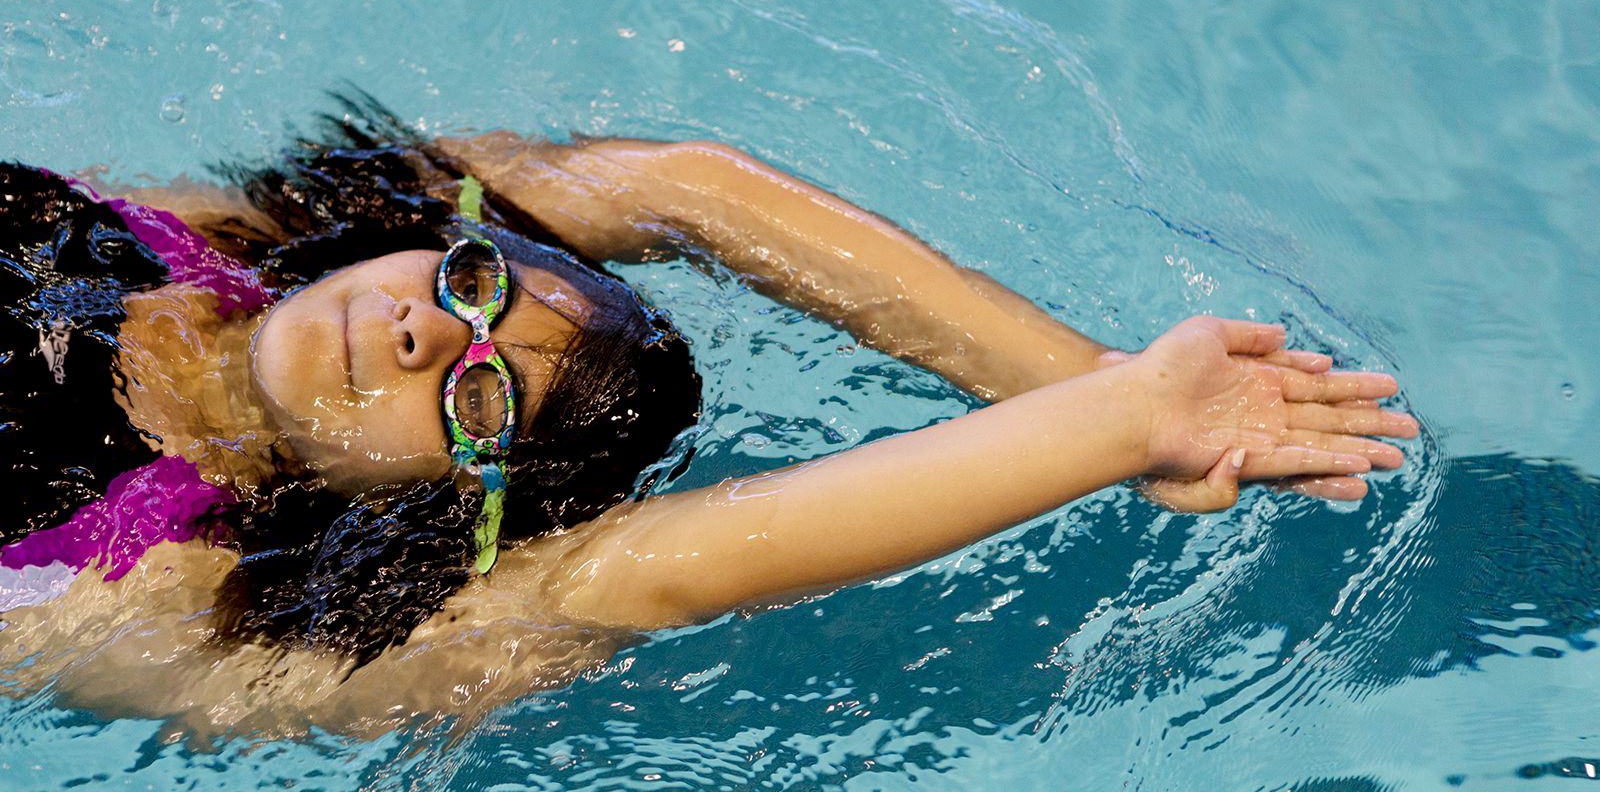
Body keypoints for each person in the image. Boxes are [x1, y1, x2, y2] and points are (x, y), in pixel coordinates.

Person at [0, 97, 1416, 738]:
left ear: (441, 508)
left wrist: (1122, 427)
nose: (433, 327)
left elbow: (667, 566)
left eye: (477, 393)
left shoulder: (165, 593)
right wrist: (1072, 365)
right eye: (472, 281)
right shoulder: (217, 246)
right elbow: (685, 185)